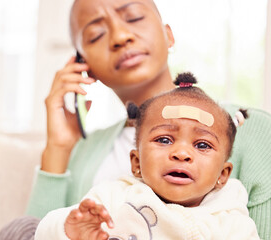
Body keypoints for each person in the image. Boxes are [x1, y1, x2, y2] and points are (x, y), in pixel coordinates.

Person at [0, 0, 271, 239]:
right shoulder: (85, 152)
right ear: (84, 64)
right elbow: (38, 234)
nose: (120, 36)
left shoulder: (253, 130)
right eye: (96, 34)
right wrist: (58, 147)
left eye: (134, 18)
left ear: (168, 36)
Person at [34, 73, 260, 240]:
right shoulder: (114, 196)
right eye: (164, 140)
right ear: (136, 163)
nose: (181, 153)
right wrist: (68, 229)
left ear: (223, 174)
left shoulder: (232, 222)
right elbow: (43, 232)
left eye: (202, 144)